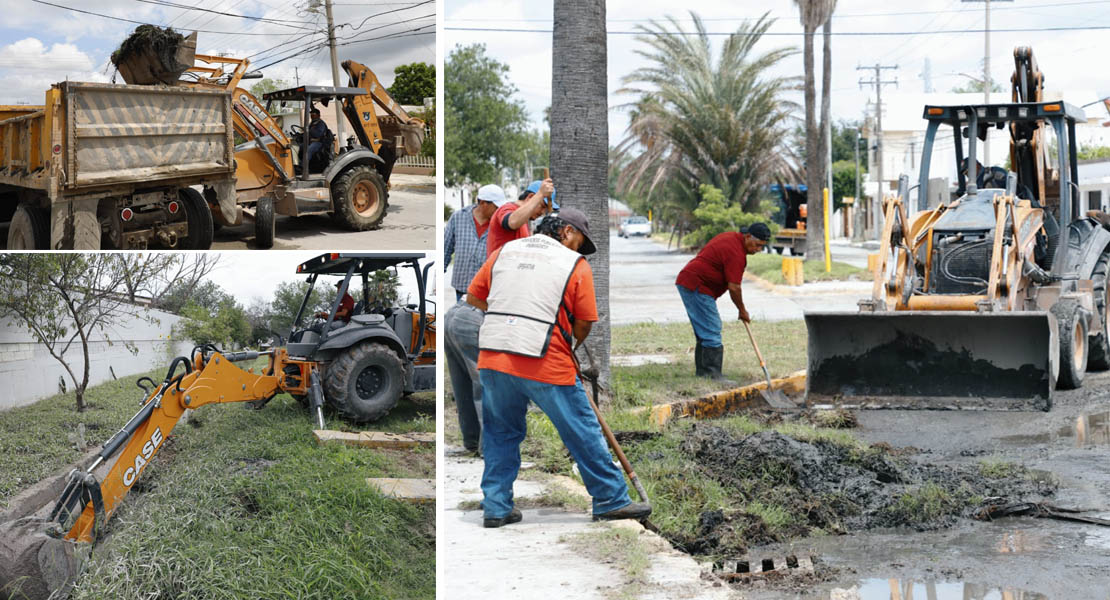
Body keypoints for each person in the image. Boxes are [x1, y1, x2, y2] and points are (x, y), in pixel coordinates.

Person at [468, 207, 651, 528]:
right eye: (579, 241)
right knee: (580, 427)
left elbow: (475, 297)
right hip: (545, 359)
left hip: (494, 355)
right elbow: (584, 323)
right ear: (566, 232)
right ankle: (610, 498)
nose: (580, 249)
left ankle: (496, 506)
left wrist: (510, 315)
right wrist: (569, 346)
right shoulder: (574, 265)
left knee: (500, 431)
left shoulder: (504, 252)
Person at [675, 222, 770, 379]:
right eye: (757, 245)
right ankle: (712, 375)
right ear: (747, 237)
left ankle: (703, 373)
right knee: (712, 327)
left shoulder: (732, 238)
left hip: (693, 282)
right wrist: (742, 310)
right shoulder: (736, 253)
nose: (758, 250)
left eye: (762, 247)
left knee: (705, 329)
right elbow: (734, 287)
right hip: (697, 285)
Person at [445, 184, 503, 301]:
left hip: (488, 290)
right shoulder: (459, 217)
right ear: (483, 203)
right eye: (496, 207)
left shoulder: (500, 223)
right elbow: (445, 248)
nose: (499, 211)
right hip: (462, 287)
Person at [486, 178, 557, 254]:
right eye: (542, 206)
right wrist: (540, 194)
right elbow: (512, 222)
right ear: (530, 197)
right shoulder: (506, 208)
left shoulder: (524, 220)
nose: (542, 212)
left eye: (545, 209)